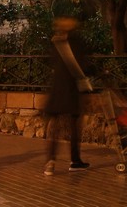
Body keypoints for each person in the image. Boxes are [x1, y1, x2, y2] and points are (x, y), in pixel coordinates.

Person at [42, 16, 93, 175]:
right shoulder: (76, 42)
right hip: (71, 91)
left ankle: (50, 162)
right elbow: (82, 65)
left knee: (55, 128)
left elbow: (51, 62)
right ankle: (75, 160)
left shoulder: (56, 43)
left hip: (57, 91)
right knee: (74, 128)